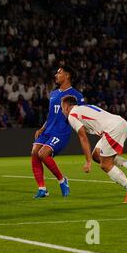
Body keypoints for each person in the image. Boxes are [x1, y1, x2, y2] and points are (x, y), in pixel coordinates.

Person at [61, 95, 127, 203]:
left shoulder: (72, 115)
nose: (62, 111)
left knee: (105, 165)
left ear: (66, 106)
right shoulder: (85, 107)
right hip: (120, 123)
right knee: (96, 156)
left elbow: (83, 138)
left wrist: (88, 161)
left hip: (112, 130)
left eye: (62, 108)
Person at [31, 66, 85, 198]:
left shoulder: (77, 96)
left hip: (61, 131)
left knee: (43, 154)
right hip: (48, 130)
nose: (56, 75)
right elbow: (51, 115)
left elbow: (82, 115)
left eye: (59, 73)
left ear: (67, 76)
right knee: (34, 153)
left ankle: (62, 180)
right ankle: (42, 189)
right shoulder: (53, 94)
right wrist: (42, 128)